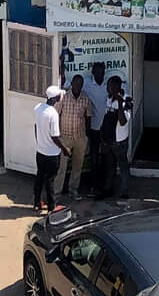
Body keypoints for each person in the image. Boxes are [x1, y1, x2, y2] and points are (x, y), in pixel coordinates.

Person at [56, 74, 93, 201]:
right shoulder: (63, 97)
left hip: (80, 137)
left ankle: (73, 190)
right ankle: (57, 193)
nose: (78, 86)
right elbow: (56, 115)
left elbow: (88, 117)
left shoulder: (85, 98)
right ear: (71, 83)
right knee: (61, 167)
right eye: (76, 83)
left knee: (78, 166)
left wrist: (87, 136)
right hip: (65, 137)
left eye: (80, 84)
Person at [33, 85, 65, 213]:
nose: (60, 97)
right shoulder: (53, 114)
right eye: (59, 95)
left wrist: (39, 142)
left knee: (40, 177)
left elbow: (36, 127)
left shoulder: (37, 108)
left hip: (40, 151)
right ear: (55, 98)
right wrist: (65, 149)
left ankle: (37, 203)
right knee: (50, 179)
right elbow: (55, 137)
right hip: (52, 154)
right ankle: (52, 206)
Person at [99, 75, 132, 200]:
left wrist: (119, 102)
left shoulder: (127, 100)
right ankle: (108, 189)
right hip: (109, 140)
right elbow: (106, 118)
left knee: (122, 167)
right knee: (110, 166)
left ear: (116, 87)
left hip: (120, 141)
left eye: (109, 86)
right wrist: (103, 137)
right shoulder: (108, 99)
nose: (107, 88)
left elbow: (123, 121)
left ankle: (124, 192)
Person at [82, 64, 111, 195]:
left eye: (102, 72)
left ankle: (105, 185)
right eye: (97, 73)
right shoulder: (87, 83)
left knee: (106, 156)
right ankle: (93, 184)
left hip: (106, 128)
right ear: (93, 72)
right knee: (94, 156)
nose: (100, 75)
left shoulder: (108, 83)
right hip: (93, 128)